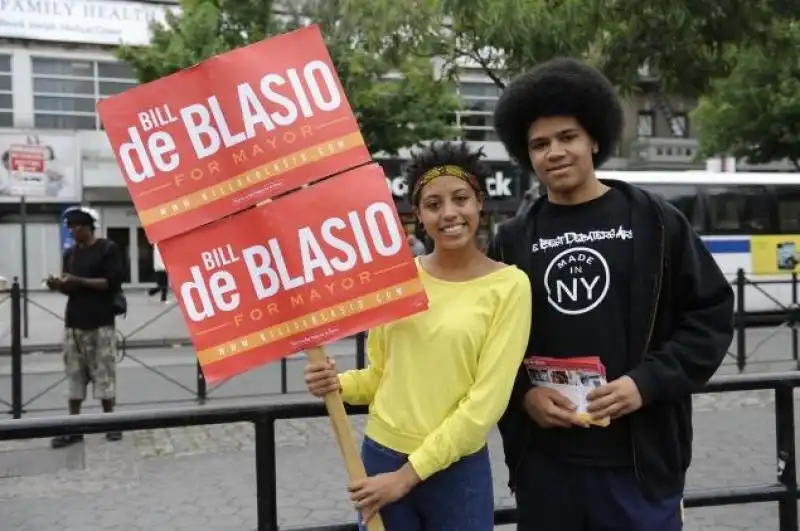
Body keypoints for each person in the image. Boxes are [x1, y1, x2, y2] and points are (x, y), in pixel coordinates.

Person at [488, 57, 734, 531]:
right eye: (539, 144)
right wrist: (523, 397)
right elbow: (488, 347)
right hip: (546, 467)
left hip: (638, 464)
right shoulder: (511, 239)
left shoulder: (656, 221)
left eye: (567, 137)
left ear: (594, 139)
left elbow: (711, 315)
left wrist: (647, 383)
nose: (554, 152)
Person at [304, 141, 532, 530]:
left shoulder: (509, 286)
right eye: (433, 204)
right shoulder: (396, 280)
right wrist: (335, 383)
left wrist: (406, 477)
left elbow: (484, 407)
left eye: (460, 198)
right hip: (380, 457)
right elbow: (380, 376)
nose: (449, 214)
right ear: (418, 216)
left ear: (479, 202)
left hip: (457, 471)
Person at [46, 206, 126, 448]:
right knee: (74, 375)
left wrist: (78, 281)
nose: (71, 231)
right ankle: (74, 427)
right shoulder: (70, 254)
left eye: (75, 227)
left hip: (101, 321)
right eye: (69, 227)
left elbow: (111, 283)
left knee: (104, 374)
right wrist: (58, 285)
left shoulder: (107, 249)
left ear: (88, 227)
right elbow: (70, 287)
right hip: (74, 323)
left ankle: (110, 423)